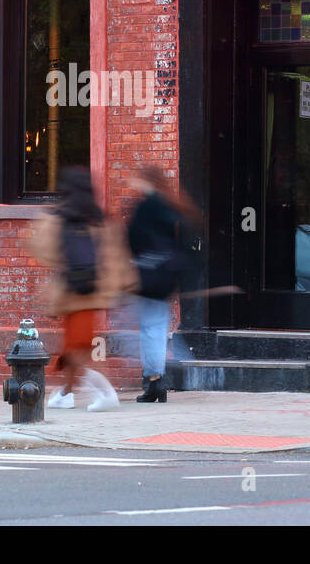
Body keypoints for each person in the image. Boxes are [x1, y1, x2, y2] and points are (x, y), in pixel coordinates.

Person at [26, 166, 135, 412]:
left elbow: (41, 249)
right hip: (92, 292)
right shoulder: (99, 219)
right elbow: (116, 256)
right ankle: (66, 393)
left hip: (73, 293)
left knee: (77, 348)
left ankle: (105, 392)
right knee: (74, 346)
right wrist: (122, 286)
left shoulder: (61, 218)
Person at [127, 166, 199, 403]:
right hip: (166, 274)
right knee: (156, 328)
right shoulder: (170, 205)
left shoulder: (147, 206)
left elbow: (133, 238)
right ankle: (157, 381)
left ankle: (154, 380)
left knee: (148, 330)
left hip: (149, 274)